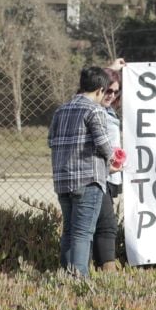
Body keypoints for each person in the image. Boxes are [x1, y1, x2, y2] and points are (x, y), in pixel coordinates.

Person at [48, 66, 116, 279]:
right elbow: (104, 145)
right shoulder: (94, 110)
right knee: (83, 232)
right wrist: (113, 160)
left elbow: (51, 141)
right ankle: (78, 279)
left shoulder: (61, 110)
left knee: (68, 231)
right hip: (88, 179)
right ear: (100, 90)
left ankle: (66, 274)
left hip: (63, 179)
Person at [92, 67, 125, 272]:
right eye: (107, 90)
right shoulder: (92, 110)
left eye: (115, 92)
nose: (111, 95)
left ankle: (96, 263)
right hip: (98, 173)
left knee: (99, 221)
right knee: (107, 223)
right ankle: (107, 267)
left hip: (112, 175)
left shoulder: (109, 111)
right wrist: (110, 68)